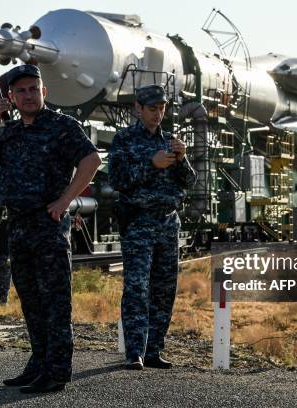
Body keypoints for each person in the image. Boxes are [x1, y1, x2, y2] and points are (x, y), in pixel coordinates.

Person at [0, 64, 101, 393]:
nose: (28, 95)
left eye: (34, 89)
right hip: (18, 227)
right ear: (12, 98)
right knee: (31, 302)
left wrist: (64, 201)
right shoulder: (11, 132)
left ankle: (57, 371)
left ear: (44, 92)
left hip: (48, 226)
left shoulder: (62, 126)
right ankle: (39, 362)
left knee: (55, 304)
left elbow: (91, 160)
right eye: (21, 91)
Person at [108, 84, 197, 370]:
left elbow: (190, 181)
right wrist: (151, 163)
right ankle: (135, 351)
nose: (157, 114)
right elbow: (117, 180)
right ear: (138, 108)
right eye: (152, 109)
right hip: (139, 222)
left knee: (164, 288)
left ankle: (154, 349)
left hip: (168, 222)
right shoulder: (123, 140)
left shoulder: (171, 141)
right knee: (137, 287)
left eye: (162, 109)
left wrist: (181, 160)